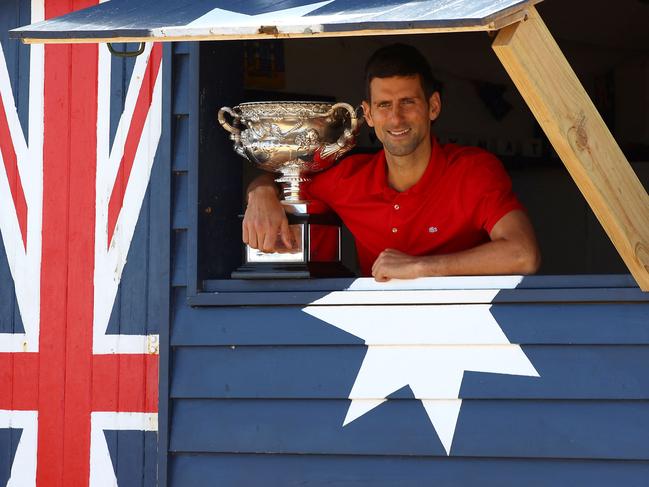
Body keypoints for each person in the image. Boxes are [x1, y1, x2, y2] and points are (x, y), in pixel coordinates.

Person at [243, 43, 541, 281]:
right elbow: (290, 177)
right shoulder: (348, 177)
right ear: (368, 114)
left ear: (433, 106)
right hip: (378, 339)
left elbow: (523, 255)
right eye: (384, 105)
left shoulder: (473, 170)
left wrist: (420, 268)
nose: (396, 119)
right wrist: (260, 192)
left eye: (408, 103)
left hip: (468, 333)